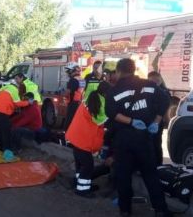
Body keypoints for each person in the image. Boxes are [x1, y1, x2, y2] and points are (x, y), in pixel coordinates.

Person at [105, 58, 171, 216]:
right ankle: (161, 210)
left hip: (124, 141)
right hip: (145, 139)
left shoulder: (114, 90)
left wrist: (131, 121)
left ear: (119, 71)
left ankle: (125, 211)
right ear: (134, 70)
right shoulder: (149, 85)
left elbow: (112, 113)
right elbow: (165, 100)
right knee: (151, 175)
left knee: (124, 177)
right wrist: (156, 121)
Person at [66, 81, 110, 198]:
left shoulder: (91, 97)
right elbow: (101, 120)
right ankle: (82, 189)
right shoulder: (102, 103)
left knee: (80, 164)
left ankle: (80, 182)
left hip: (75, 136)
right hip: (83, 140)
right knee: (88, 165)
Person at [0, 83, 30, 161]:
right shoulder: (14, 90)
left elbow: (9, 102)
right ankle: (7, 153)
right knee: (6, 133)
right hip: (2, 112)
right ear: (19, 89)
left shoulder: (5, 88)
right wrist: (27, 103)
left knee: (0, 131)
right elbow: (17, 103)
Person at [148, 71, 171, 166]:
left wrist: (166, 120)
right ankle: (155, 164)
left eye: (155, 80)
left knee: (155, 144)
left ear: (159, 80)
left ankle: (157, 164)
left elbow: (165, 109)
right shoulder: (151, 90)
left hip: (157, 121)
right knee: (153, 144)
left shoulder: (164, 92)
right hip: (151, 120)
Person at [64, 62, 85, 132]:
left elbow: (68, 93)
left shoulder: (72, 80)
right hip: (80, 103)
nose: (67, 73)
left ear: (72, 71)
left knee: (69, 122)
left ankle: (67, 138)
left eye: (68, 71)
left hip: (73, 104)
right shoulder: (82, 79)